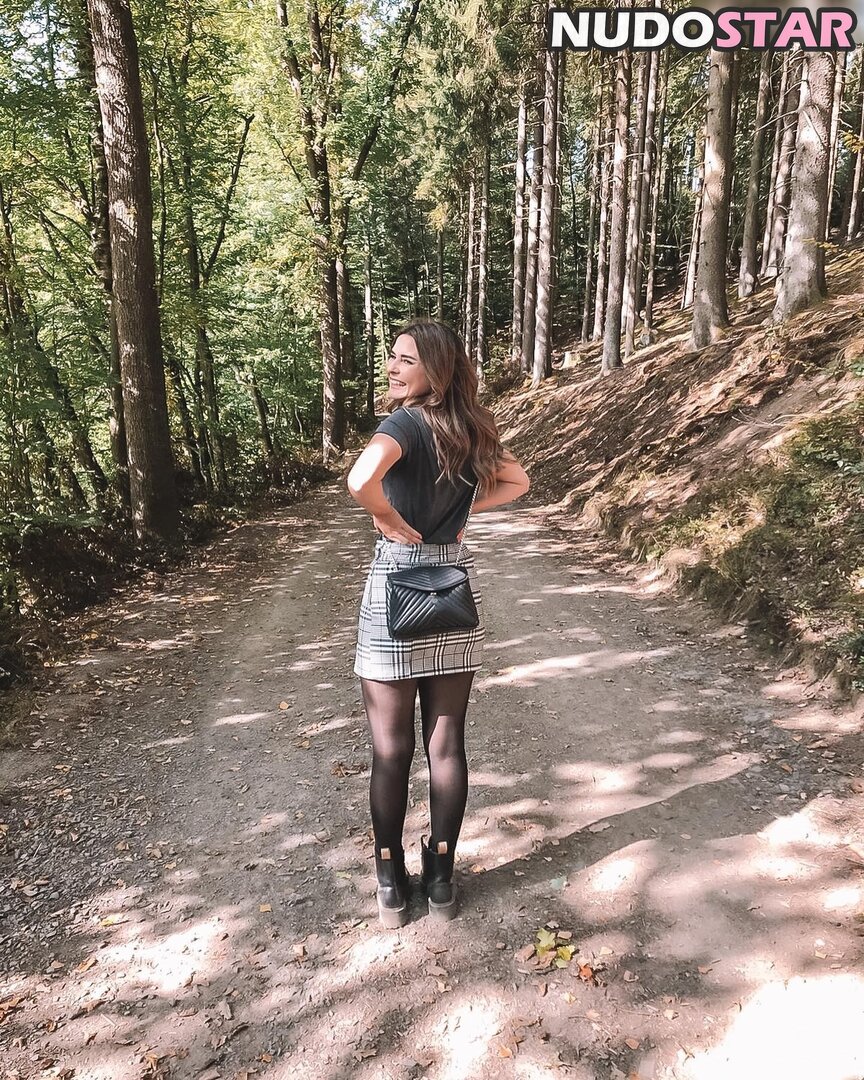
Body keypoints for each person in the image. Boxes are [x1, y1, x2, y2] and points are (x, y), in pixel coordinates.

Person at [346, 319, 530, 928]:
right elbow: (519, 481)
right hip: (451, 586)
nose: (393, 367)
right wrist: (465, 507)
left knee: (390, 748)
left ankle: (390, 883)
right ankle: (442, 878)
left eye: (406, 360)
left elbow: (359, 480)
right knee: (445, 745)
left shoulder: (401, 424)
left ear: (437, 369)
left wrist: (386, 516)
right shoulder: (473, 425)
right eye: (392, 356)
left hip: (396, 586)